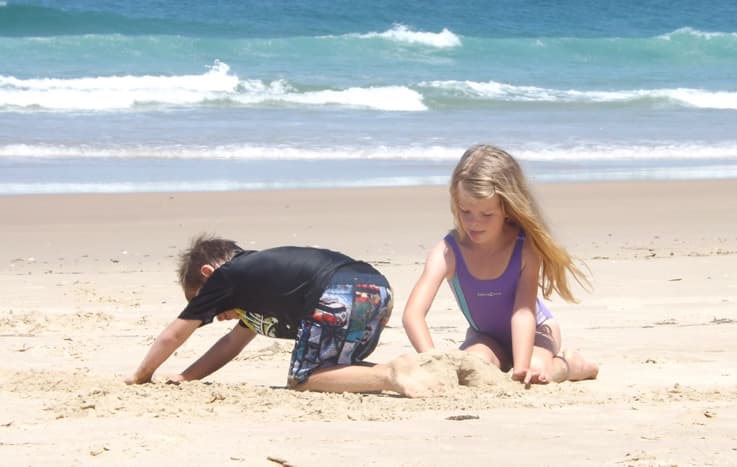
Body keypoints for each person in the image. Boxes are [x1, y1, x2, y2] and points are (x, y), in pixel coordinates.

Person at [125, 234, 442, 397]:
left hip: (336, 291)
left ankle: (389, 374)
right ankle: (411, 372)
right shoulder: (259, 289)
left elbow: (175, 333)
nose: (214, 314)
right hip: (377, 290)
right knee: (336, 372)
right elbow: (230, 345)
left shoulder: (227, 277)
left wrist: (141, 375)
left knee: (303, 380)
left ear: (209, 274)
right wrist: (186, 377)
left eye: (206, 303)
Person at [402, 144, 599, 385]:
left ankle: (572, 365)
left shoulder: (524, 248)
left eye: (487, 214)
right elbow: (413, 314)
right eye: (466, 211)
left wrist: (522, 366)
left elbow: (523, 312)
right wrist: (432, 362)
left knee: (536, 373)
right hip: (485, 337)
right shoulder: (447, 252)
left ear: (507, 208)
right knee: (472, 371)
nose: (475, 222)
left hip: (536, 331)